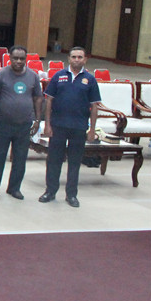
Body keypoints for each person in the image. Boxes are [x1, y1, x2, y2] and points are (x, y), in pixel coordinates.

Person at [40, 46, 101, 208]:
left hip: (79, 128)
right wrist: (47, 124)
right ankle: (50, 191)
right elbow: (49, 101)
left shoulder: (90, 80)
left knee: (74, 162)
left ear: (85, 59)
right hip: (58, 126)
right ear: (68, 59)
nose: (76, 60)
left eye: (80, 57)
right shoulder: (58, 76)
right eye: (74, 57)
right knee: (54, 161)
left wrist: (92, 130)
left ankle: (71, 195)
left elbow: (94, 106)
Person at [0, 46, 43, 200]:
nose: (18, 61)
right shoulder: (1, 75)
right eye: (15, 58)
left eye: (22, 58)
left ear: (26, 59)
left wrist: (37, 120)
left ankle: (14, 188)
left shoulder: (33, 76)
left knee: (20, 158)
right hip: (2, 123)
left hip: (24, 124)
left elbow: (38, 98)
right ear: (9, 58)